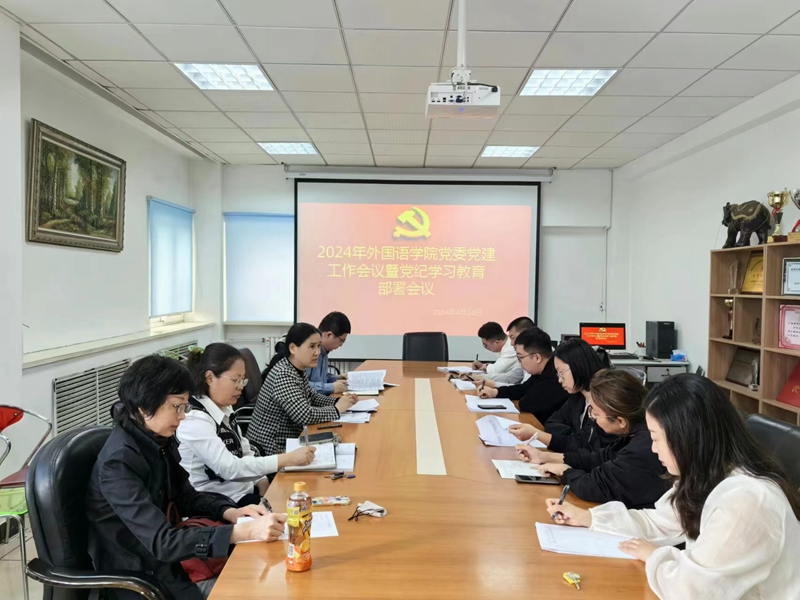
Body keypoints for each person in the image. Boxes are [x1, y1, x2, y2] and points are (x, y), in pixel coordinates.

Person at [545, 374, 800, 599]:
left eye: (656, 438)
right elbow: (660, 522)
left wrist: (654, 555)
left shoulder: (747, 500)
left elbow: (694, 592)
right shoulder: (710, 475)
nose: (653, 449)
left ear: (687, 438)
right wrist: (588, 518)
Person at [86, 355, 286, 600]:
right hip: (142, 578)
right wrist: (244, 532)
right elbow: (163, 542)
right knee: (259, 589)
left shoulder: (156, 438)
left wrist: (230, 511)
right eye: (177, 406)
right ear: (144, 407)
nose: (182, 416)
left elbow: (185, 496)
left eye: (185, 406)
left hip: (170, 564)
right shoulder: (118, 464)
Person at [178, 343, 316, 507]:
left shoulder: (224, 407)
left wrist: (261, 480)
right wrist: (286, 459)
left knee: (304, 496)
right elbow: (229, 468)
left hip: (243, 492)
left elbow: (245, 450)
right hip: (220, 503)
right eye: (236, 380)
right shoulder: (194, 419)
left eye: (243, 380)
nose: (241, 387)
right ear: (210, 377)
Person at [517, 369, 670, 509]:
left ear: (620, 420)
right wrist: (545, 457)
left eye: (595, 414)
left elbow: (596, 486)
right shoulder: (635, 430)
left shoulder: (645, 446)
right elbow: (600, 458)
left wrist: (565, 472)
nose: (593, 418)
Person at [248, 323, 358, 456]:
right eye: (312, 346)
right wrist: (337, 409)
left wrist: (339, 401)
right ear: (293, 348)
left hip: (291, 440)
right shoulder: (284, 374)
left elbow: (313, 397)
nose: (318, 352)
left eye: (318, 346)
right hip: (272, 448)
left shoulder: (296, 369)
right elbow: (304, 415)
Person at [507, 338, 616, 452]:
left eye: (561, 372)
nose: (559, 380)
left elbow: (588, 448)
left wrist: (541, 435)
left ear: (577, 366)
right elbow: (551, 423)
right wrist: (574, 437)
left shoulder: (605, 402)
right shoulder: (576, 397)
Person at [477, 327, 568, 423]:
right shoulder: (543, 369)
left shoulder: (554, 375)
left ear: (537, 358)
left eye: (520, 357)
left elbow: (526, 404)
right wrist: (495, 392)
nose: (519, 362)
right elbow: (523, 388)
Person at [472, 316, 535, 387]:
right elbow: (511, 377)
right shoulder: (523, 357)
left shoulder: (531, 357)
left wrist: (490, 384)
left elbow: (524, 389)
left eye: (513, 338)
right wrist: (480, 377)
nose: (511, 343)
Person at [306, 311, 351, 395]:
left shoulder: (325, 352)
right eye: (341, 340)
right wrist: (331, 387)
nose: (341, 345)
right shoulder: (309, 352)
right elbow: (302, 386)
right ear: (329, 335)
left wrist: (337, 378)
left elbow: (321, 379)